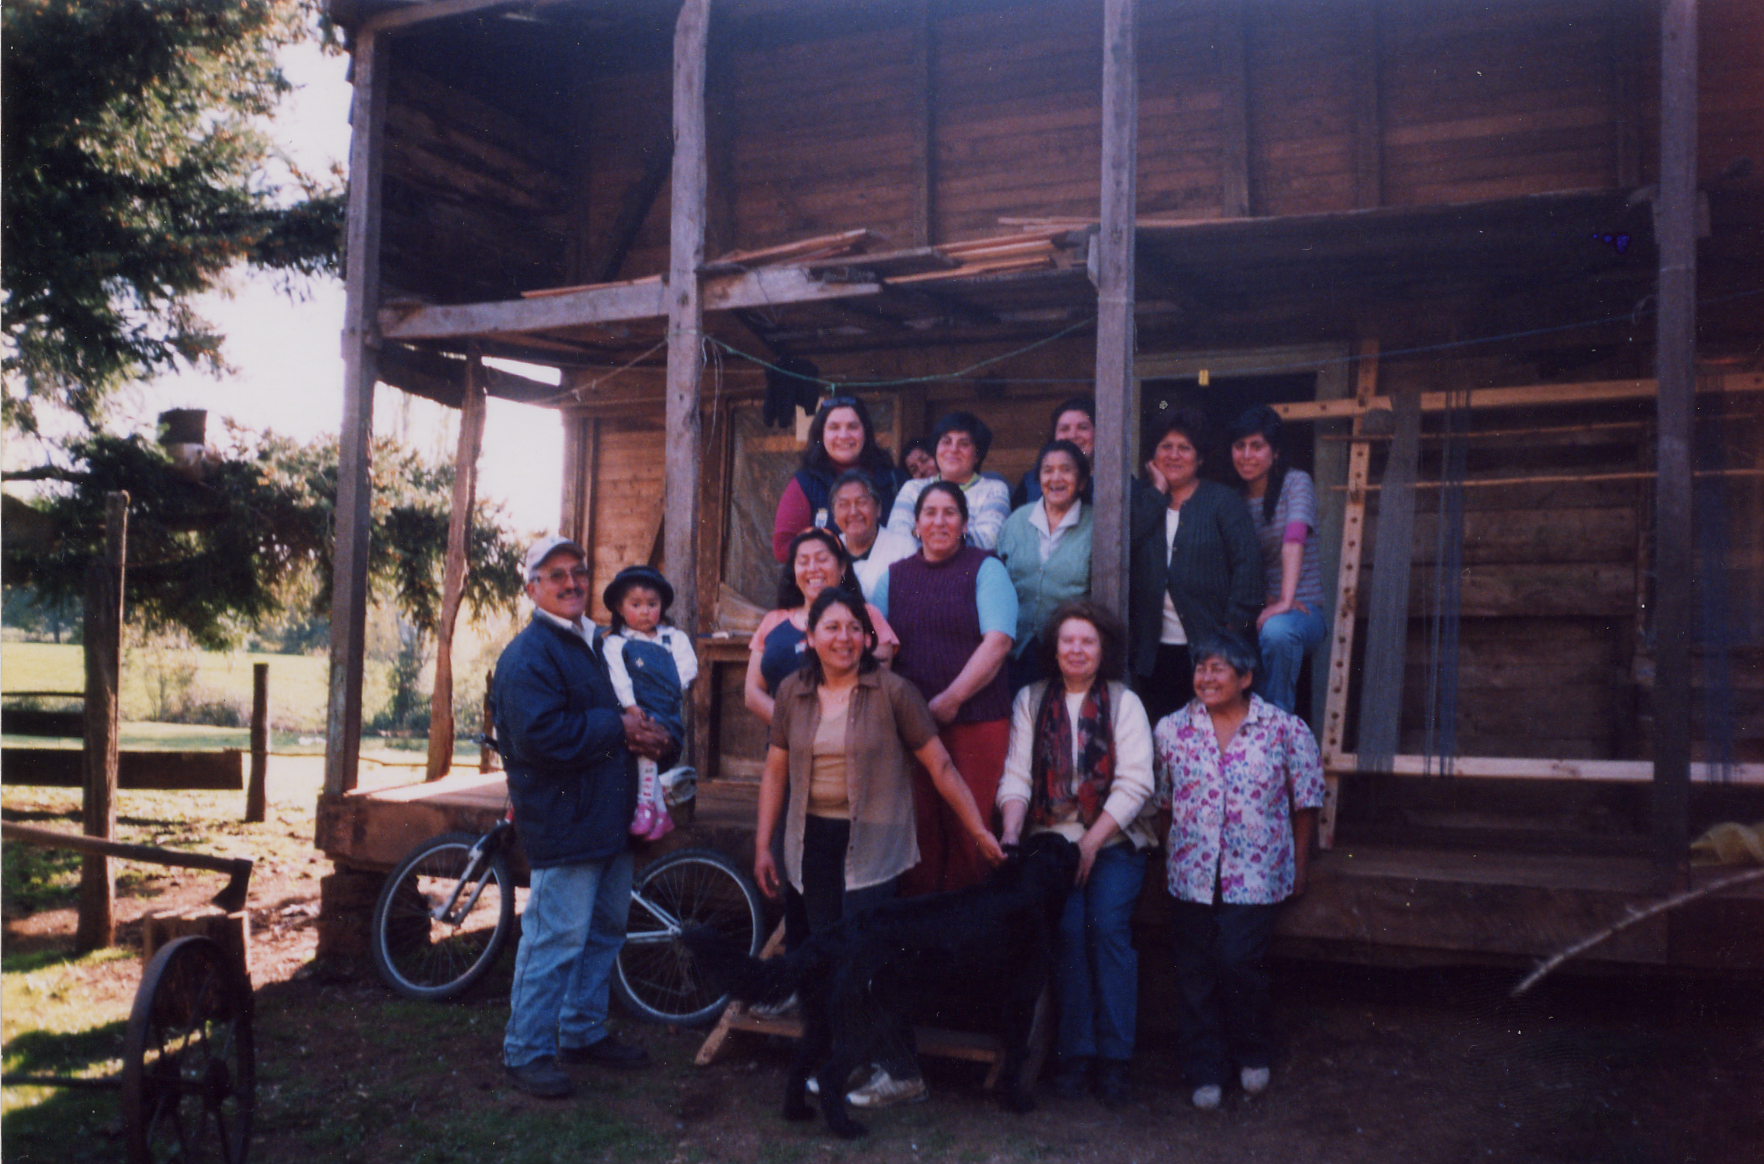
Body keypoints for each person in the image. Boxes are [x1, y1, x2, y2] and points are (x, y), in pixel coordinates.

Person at [755, 588, 1006, 1110]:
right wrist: (763, 844)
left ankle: (903, 1072)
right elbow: (776, 770)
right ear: (810, 638)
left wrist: (979, 831)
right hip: (810, 841)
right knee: (830, 962)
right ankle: (853, 1063)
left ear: (868, 638)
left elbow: (939, 766)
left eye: (854, 629)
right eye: (832, 628)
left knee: (868, 962)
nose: (844, 638)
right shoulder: (790, 692)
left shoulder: (894, 691)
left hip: (872, 840)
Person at [490, 536, 671, 1099]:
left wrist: (652, 734)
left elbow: (623, 715)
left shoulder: (594, 643)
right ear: (531, 588)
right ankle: (526, 1050)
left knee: (604, 932)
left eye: (578, 572)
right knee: (554, 939)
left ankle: (582, 1032)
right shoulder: (528, 655)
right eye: (555, 574)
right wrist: (618, 728)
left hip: (610, 820)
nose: (571, 582)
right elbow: (540, 737)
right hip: (564, 824)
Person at [1151, 630, 1324, 1111]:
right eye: (1200, 668)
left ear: (1246, 677)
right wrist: (1172, 853)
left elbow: (1305, 800)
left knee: (1236, 961)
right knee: (1195, 972)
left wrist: (1300, 863)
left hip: (1257, 871)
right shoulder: (1170, 730)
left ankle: (1251, 1052)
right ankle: (1206, 1069)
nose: (1205, 678)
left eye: (1217, 669)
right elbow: (1164, 800)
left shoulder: (1285, 730)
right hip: (1191, 871)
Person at [997, 601, 1156, 1108]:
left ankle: (1115, 1059)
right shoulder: (1031, 699)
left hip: (1112, 839)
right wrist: (1011, 835)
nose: (1077, 650)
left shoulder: (1123, 701)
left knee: (1106, 930)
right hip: (1049, 843)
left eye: (1087, 641)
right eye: (1068, 640)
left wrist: (1089, 843)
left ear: (1102, 648)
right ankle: (1075, 1053)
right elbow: (1018, 777)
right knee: (1065, 932)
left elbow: (1135, 784)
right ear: (1055, 648)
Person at [873, 481, 1017, 895]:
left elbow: (999, 642)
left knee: (971, 834)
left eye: (950, 512)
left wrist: (952, 699)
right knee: (920, 836)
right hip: (912, 731)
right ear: (915, 524)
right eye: (930, 513)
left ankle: (971, 945)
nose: (939, 521)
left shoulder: (986, 568)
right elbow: (881, 649)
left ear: (965, 523)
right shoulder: (894, 578)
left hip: (976, 722)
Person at [1128, 408, 1262, 729]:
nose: (1174, 455)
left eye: (1184, 448)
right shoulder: (1141, 502)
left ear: (1199, 458)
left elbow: (1249, 568)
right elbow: (1123, 541)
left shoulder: (1222, 502)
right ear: (1152, 456)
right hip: (1151, 654)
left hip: (1210, 654)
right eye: (1165, 446)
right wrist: (1158, 492)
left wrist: (1229, 637)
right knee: (1160, 740)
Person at [1229, 405, 1328, 715]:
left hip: (1303, 610)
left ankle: (1277, 724)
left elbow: (1293, 538)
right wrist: (1269, 600)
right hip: (1257, 609)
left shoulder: (1296, 483)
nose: (1246, 455)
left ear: (1275, 452)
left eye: (1257, 446)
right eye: (1239, 446)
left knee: (1277, 630)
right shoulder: (1234, 501)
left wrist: (1285, 600)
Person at [745, 528, 897, 727]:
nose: (813, 568)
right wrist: (796, 732)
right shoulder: (773, 621)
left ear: (842, 567)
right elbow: (752, 693)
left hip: (848, 743)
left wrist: (824, 734)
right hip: (785, 746)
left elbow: (877, 686)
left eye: (822, 559)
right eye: (803, 561)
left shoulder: (867, 616)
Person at [600, 564, 698, 842]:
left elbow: (688, 668)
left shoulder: (674, 639)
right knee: (641, 742)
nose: (645, 611)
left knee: (652, 742)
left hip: (666, 710)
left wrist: (668, 688)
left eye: (652, 604)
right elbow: (618, 678)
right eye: (636, 604)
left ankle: (646, 804)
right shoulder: (616, 644)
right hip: (637, 709)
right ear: (620, 608)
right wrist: (630, 705)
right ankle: (657, 810)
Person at [995, 440, 1094, 690]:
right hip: (1013, 653)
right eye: (1048, 470)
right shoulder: (1017, 520)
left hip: (1069, 656)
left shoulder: (1096, 524)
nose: (1056, 477)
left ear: (1082, 481)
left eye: (1066, 469)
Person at [773, 395, 898, 563]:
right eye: (834, 427)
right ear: (821, 434)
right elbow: (782, 548)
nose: (844, 435)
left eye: (852, 426)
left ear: (865, 432)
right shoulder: (805, 483)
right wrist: (831, 548)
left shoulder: (893, 478)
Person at [885, 411, 1013, 551]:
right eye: (946, 442)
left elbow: (987, 540)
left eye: (964, 444)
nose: (953, 449)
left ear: (977, 455)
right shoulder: (913, 488)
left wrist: (923, 534)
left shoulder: (994, 489)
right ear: (936, 449)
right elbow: (897, 536)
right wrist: (958, 535)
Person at [830, 469, 917, 602]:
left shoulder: (904, 548)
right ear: (834, 515)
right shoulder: (830, 550)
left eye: (862, 502)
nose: (853, 512)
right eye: (844, 505)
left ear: (878, 509)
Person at [1010, 396, 1096, 509]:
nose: (1073, 435)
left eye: (1083, 427)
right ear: (1054, 436)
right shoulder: (1031, 484)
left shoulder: (1117, 480)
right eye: (1064, 429)